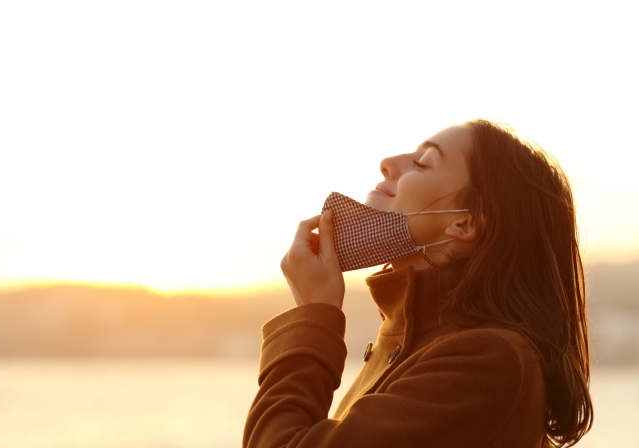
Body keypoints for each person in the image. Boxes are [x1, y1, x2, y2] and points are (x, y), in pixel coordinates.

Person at [243, 120, 593, 448]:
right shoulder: (412, 335)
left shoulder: (486, 358)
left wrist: (313, 312)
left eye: (423, 163)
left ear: (465, 223)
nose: (388, 162)